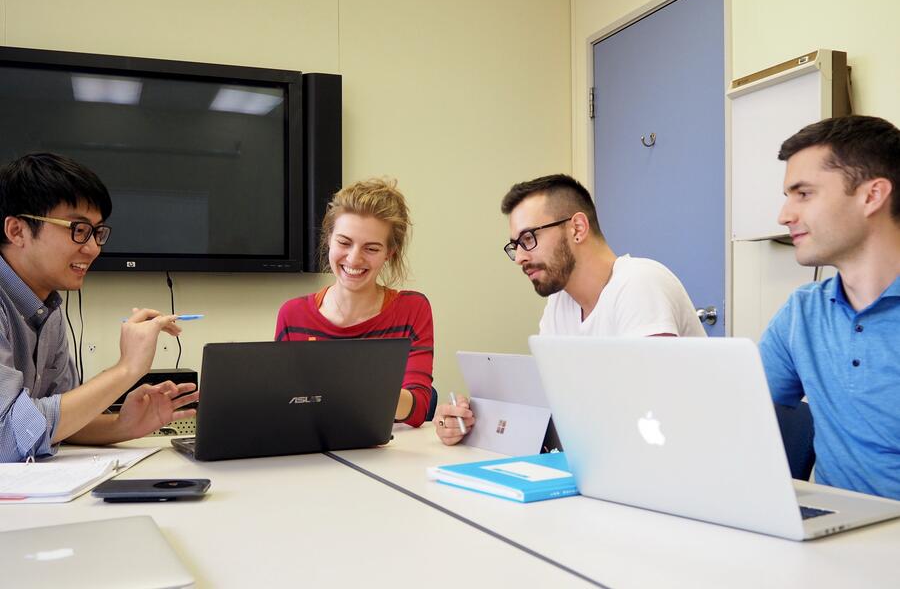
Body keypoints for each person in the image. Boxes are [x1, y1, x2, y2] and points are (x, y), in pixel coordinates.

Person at [435, 174, 705, 445]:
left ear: (577, 228)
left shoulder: (639, 284)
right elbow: (548, 405)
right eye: (515, 245)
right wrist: (470, 420)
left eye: (528, 238)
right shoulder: (559, 304)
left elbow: (652, 418)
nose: (519, 257)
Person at [0, 153, 198, 462]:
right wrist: (127, 369)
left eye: (97, 232)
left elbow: (58, 418)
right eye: (77, 229)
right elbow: (6, 437)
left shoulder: (47, 306)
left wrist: (123, 425)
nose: (92, 248)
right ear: (17, 231)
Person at [758, 115, 900, 500]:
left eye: (803, 194)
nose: (784, 215)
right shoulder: (803, 312)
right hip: (838, 537)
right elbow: (738, 409)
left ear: (872, 196)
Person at [274, 178, 433, 427]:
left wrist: (337, 382)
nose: (354, 258)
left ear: (389, 253)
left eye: (371, 248)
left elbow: (417, 409)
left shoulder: (412, 309)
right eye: (344, 243)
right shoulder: (292, 314)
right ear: (328, 239)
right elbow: (283, 407)